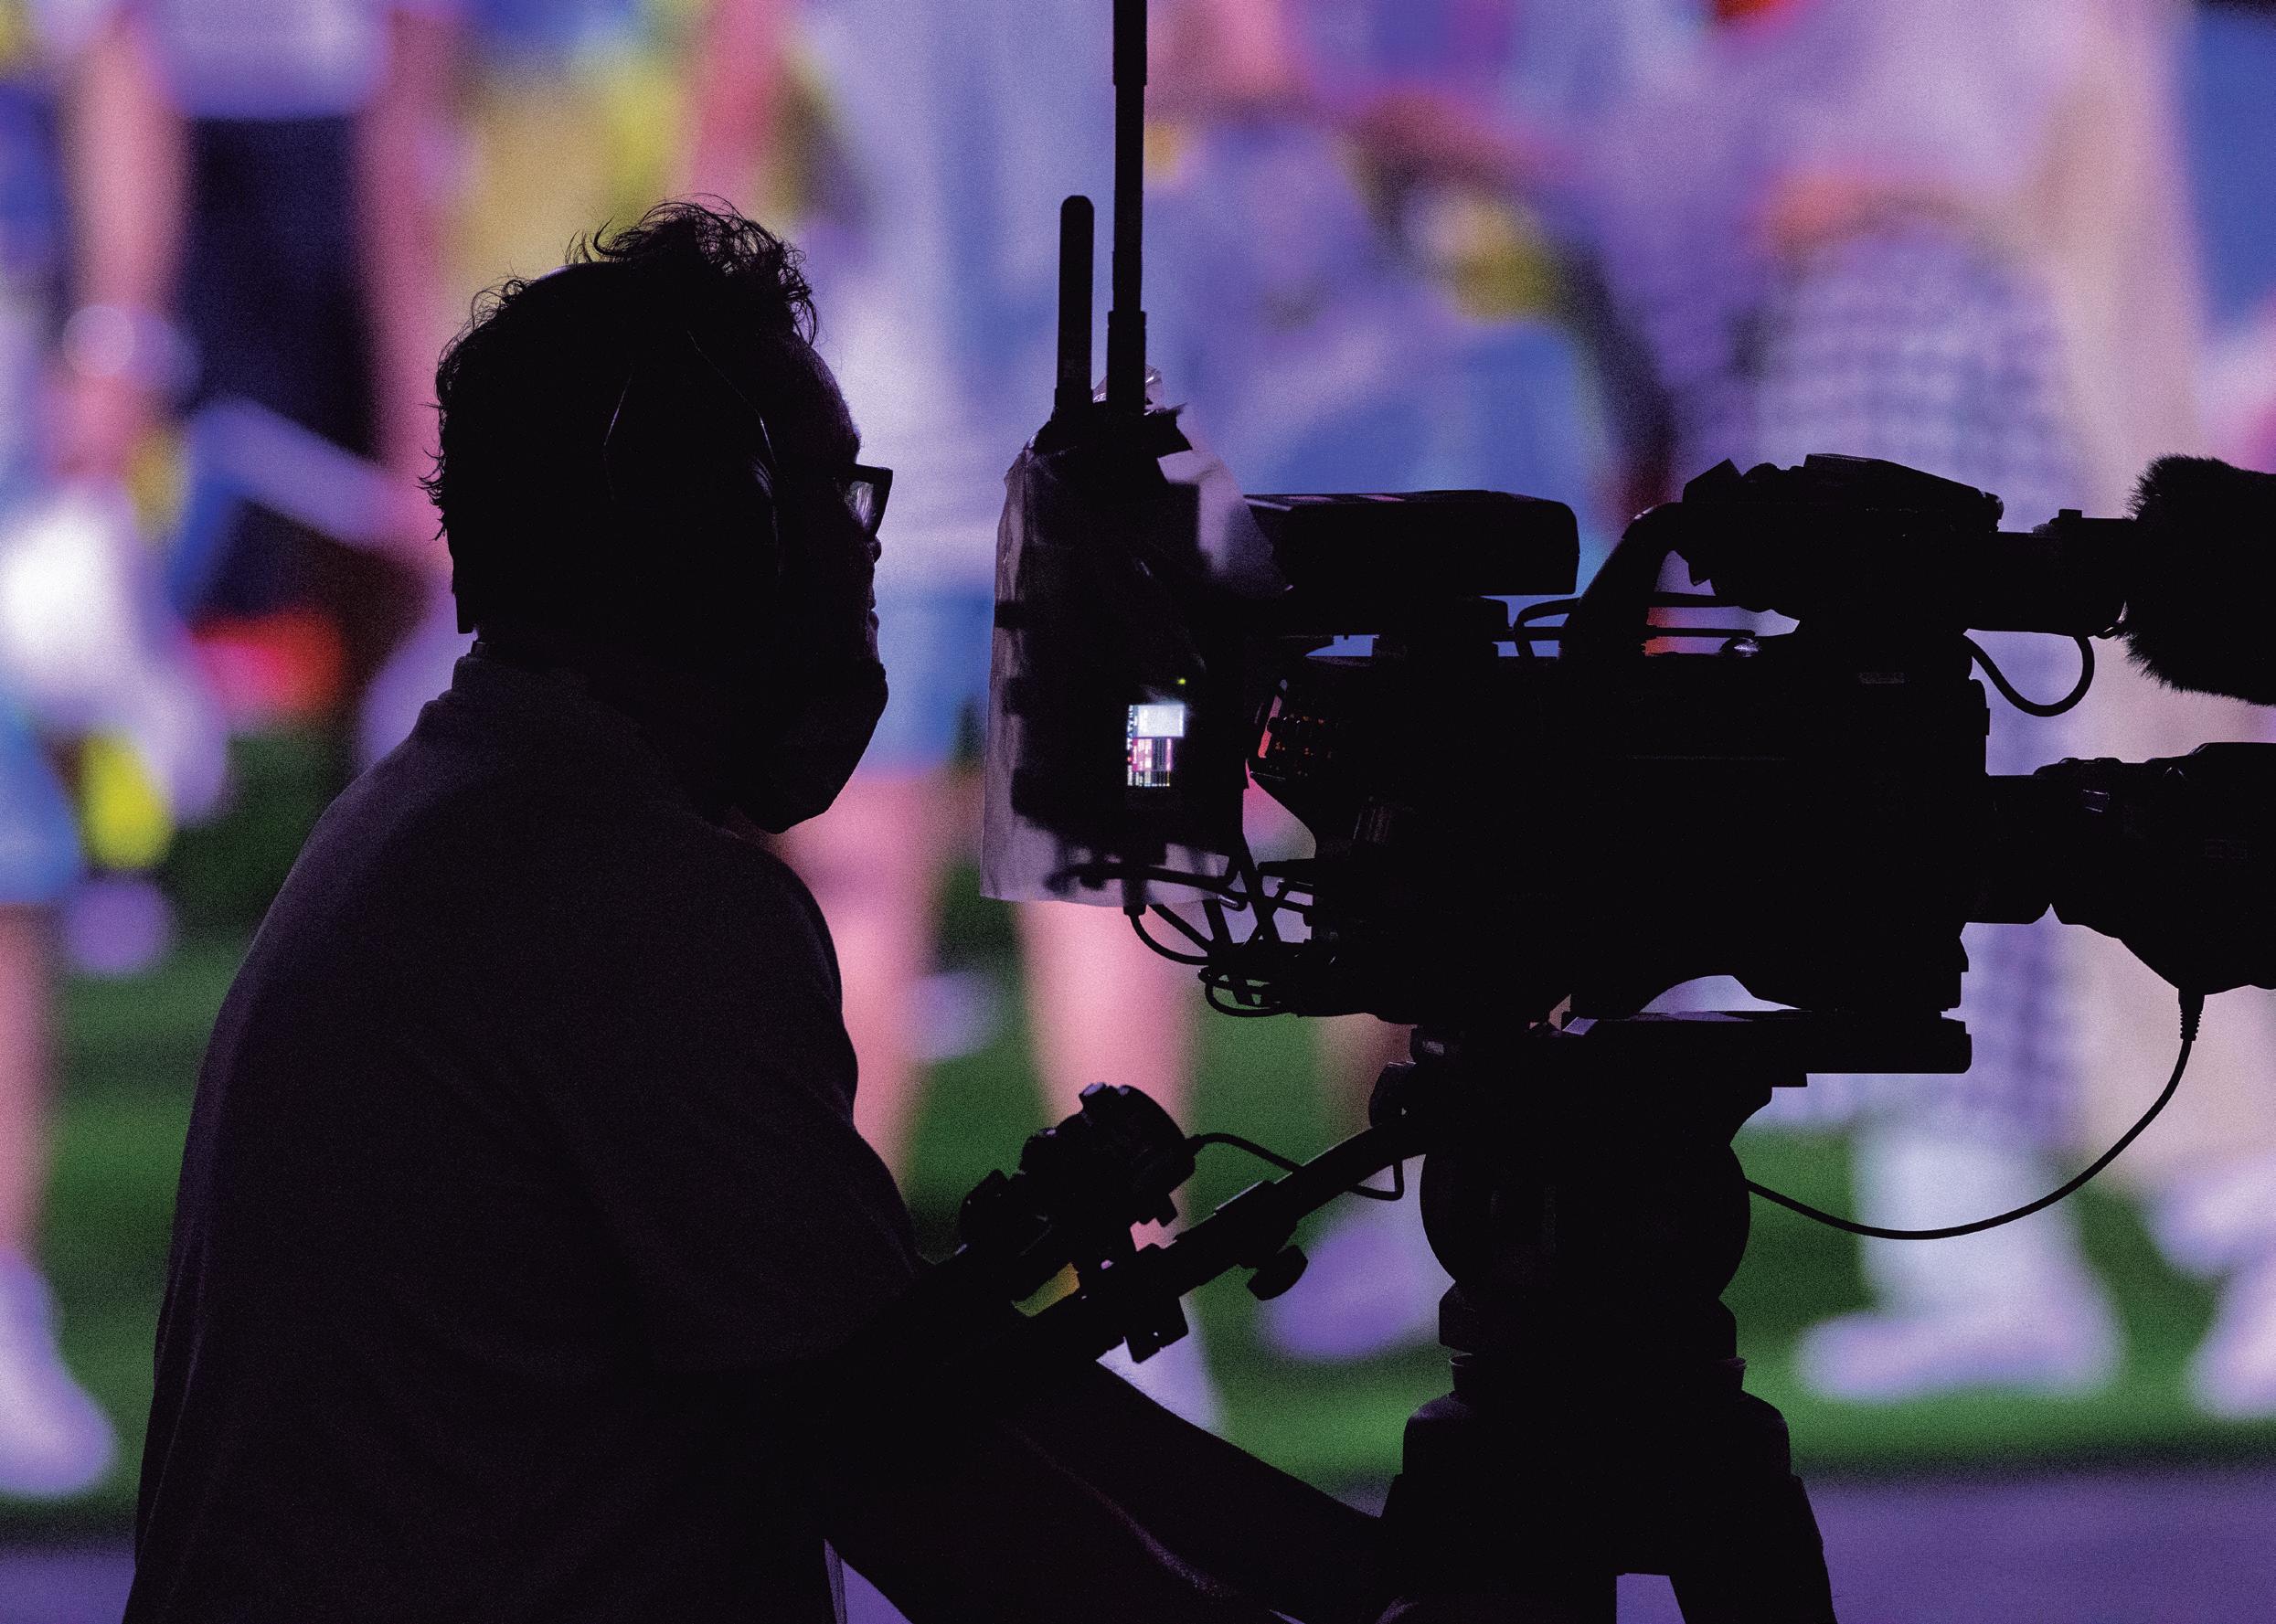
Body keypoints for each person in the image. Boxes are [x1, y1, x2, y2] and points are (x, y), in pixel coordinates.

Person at [122, 202, 1385, 1624]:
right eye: (835, 502)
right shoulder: (628, 901)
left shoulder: (464, 818)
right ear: (711, 531)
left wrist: (1362, 1576)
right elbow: (921, 1478)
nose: (861, 564)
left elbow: (917, 1372)